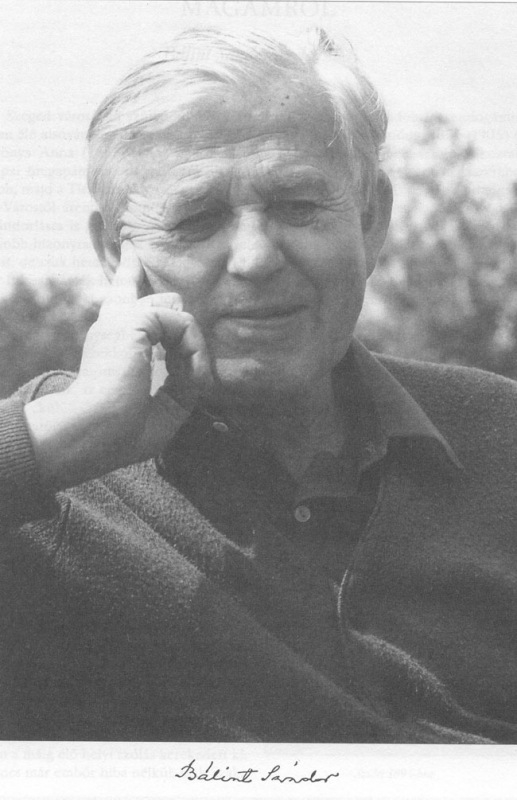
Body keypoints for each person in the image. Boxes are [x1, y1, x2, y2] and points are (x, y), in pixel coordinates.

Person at [1, 26, 516, 744]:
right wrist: (64, 437)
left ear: (370, 220)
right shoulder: (42, 477)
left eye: (297, 204)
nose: (254, 257)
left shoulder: (500, 434)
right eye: (197, 218)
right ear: (117, 255)